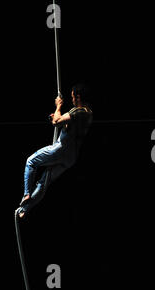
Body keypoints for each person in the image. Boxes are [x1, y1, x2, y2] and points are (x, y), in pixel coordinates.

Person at [15, 83, 93, 218]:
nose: (72, 99)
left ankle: (27, 194)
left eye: (73, 97)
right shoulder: (89, 113)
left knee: (30, 162)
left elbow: (57, 122)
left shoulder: (78, 111)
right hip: (71, 157)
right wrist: (56, 118)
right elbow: (61, 122)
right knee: (43, 182)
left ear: (78, 97)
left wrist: (58, 106)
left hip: (61, 150)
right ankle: (24, 210)